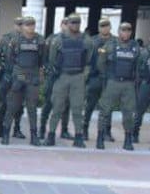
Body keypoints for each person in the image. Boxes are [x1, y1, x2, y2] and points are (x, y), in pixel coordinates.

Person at [45, 13, 92, 147]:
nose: (75, 25)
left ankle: (78, 137)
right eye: (72, 22)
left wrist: (84, 75)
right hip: (62, 76)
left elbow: (88, 60)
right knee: (57, 107)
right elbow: (52, 59)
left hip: (78, 77)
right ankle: (51, 136)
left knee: (77, 108)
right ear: (67, 23)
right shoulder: (58, 40)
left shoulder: (86, 40)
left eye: (77, 22)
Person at [96, 22, 144, 151]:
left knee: (128, 113)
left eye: (129, 30)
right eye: (124, 30)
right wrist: (106, 77)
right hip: (113, 82)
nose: (126, 32)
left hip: (128, 84)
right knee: (105, 111)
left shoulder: (135, 47)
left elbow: (139, 65)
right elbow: (101, 62)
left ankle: (128, 139)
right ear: (119, 31)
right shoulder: (111, 45)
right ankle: (100, 137)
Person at [0, 16, 46, 145]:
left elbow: (42, 59)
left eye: (32, 24)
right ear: (23, 26)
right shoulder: (16, 40)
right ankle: (5, 134)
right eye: (27, 25)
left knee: (32, 108)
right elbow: (10, 58)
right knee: (12, 106)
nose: (30, 27)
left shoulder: (40, 40)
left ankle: (34, 136)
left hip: (33, 76)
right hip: (19, 75)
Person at [40, 17, 71, 140]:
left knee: (66, 104)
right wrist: (49, 70)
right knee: (48, 102)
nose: (68, 26)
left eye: (70, 24)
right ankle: (42, 129)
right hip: (53, 77)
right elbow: (44, 57)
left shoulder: (74, 39)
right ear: (61, 25)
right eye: (66, 24)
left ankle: (64, 130)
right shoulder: (52, 39)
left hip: (66, 77)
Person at [84, 17, 113, 139]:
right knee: (90, 105)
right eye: (102, 26)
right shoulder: (92, 41)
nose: (104, 28)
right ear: (99, 28)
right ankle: (84, 130)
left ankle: (106, 132)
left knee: (108, 107)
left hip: (110, 79)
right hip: (95, 78)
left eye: (106, 25)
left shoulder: (115, 42)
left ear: (110, 27)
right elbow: (86, 60)